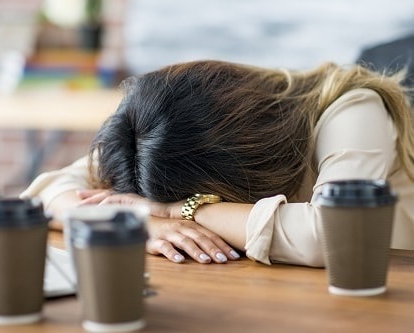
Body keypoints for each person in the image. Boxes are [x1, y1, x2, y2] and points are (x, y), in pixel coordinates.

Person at [21, 60, 414, 267]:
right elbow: (49, 192)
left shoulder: (352, 108)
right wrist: (144, 223)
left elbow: (337, 235)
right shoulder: (158, 125)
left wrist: (176, 210)